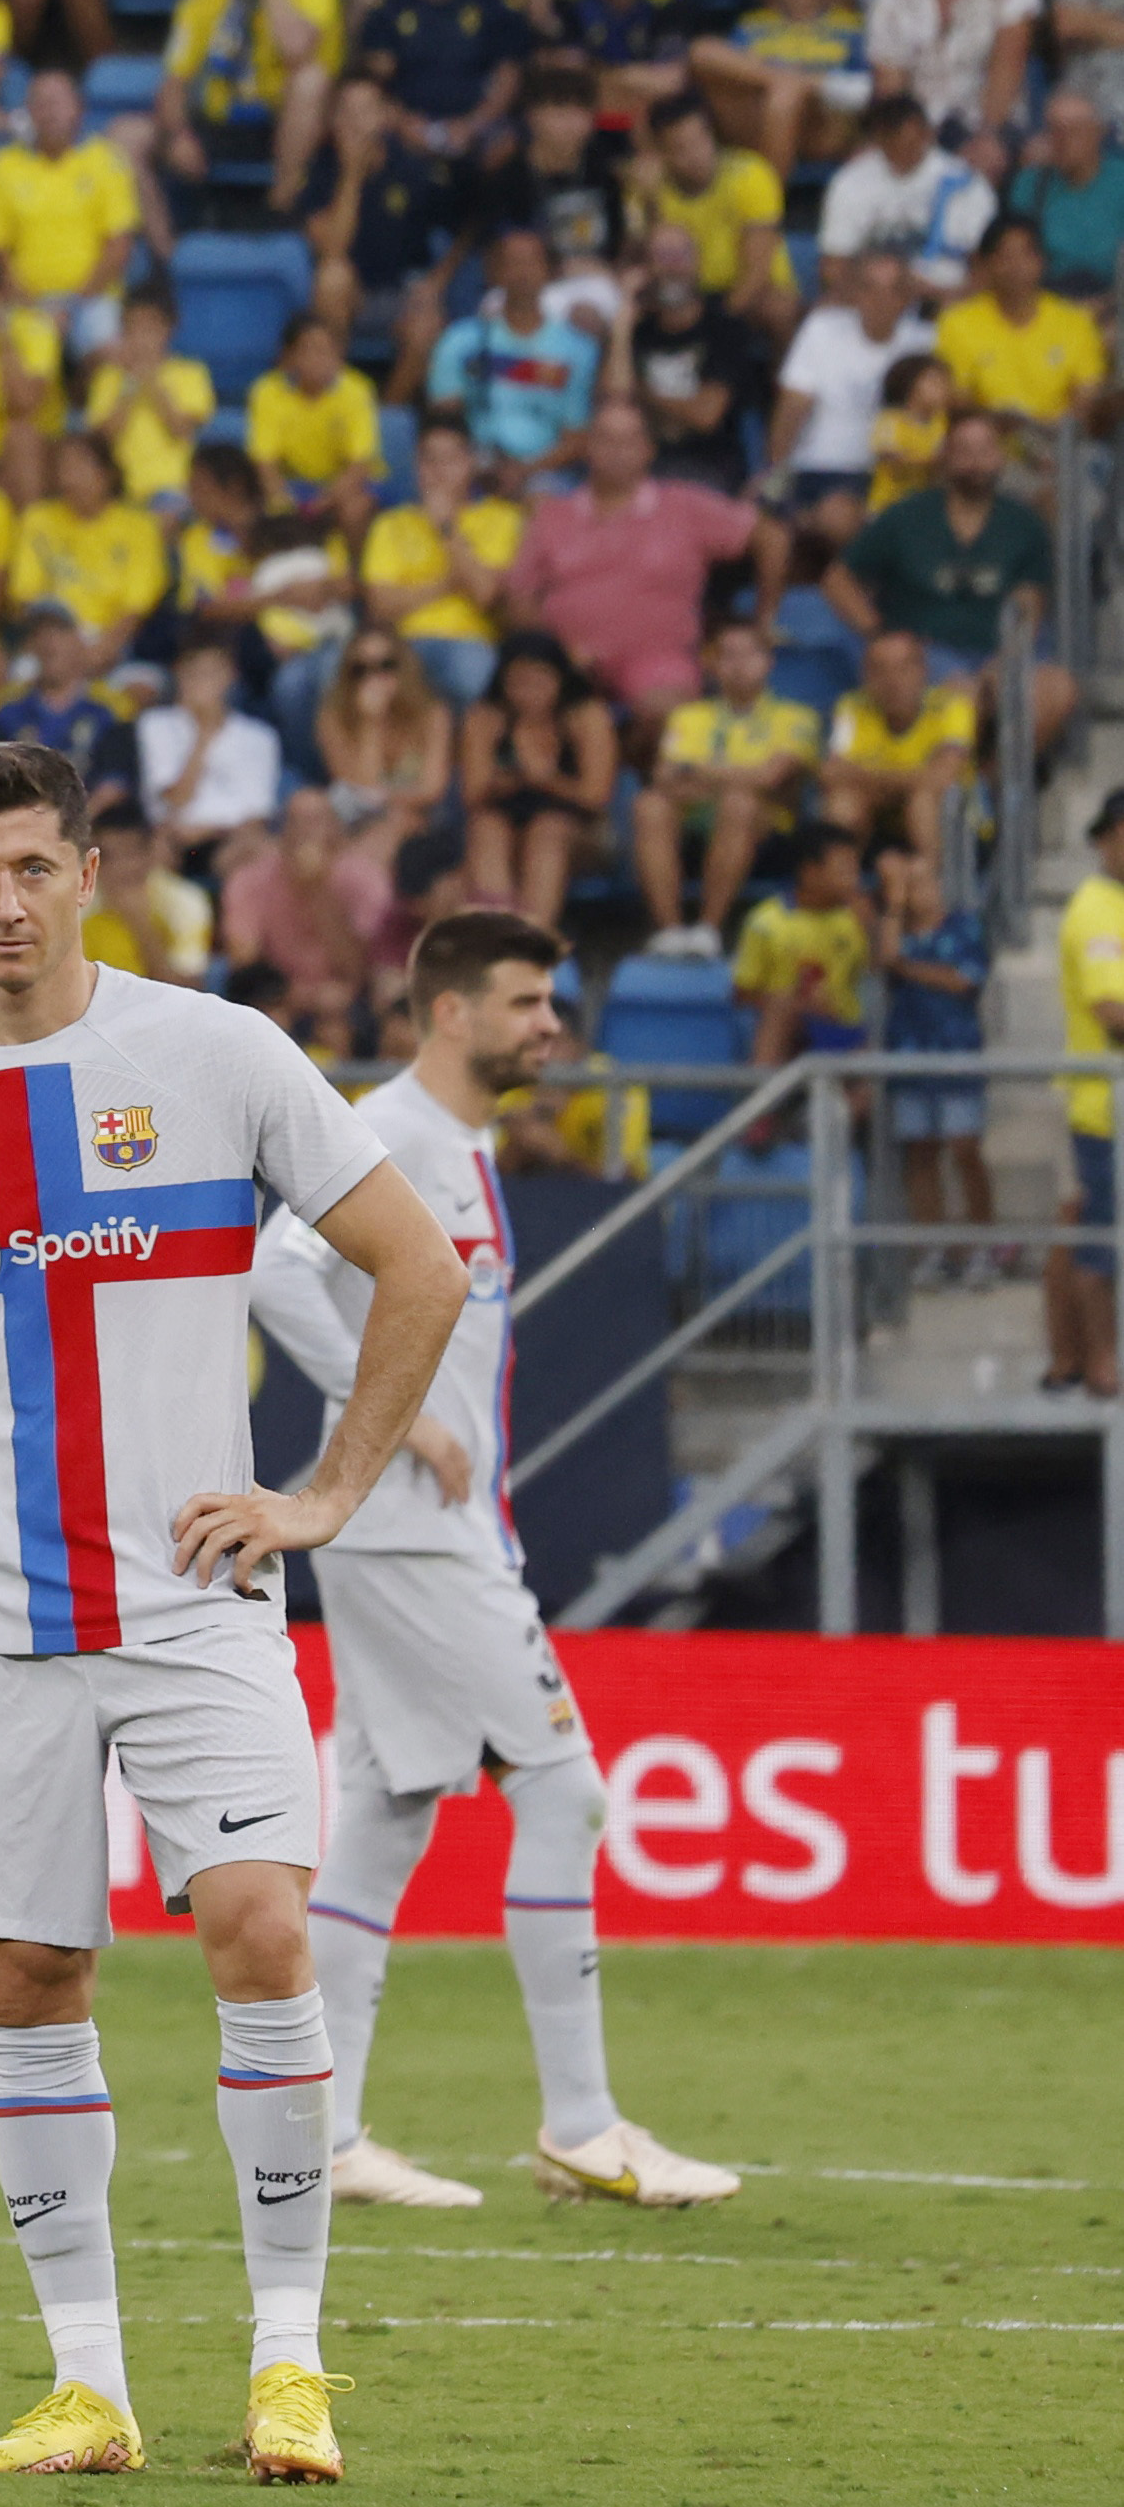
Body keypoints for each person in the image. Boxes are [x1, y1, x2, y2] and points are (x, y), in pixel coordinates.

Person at [0, 738, 473, 2486]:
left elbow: (415, 1265)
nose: (2, 900)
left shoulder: (214, 1055)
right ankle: (87, 2388)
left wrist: (325, 1496)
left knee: (259, 1929)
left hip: (198, 1592)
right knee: (25, 1969)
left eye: (33, 867)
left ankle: (288, 2366)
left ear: (90, 874)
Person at [257, 908, 738, 2213]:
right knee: (563, 1787)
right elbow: (268, 1266)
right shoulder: (392, 1130)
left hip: (422, 1525)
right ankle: (581, 2126)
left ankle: (331, 2134)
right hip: (406, 1521)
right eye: (527, 1004)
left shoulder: (456, 1143)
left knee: (386, 1816)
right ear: (452, 1012)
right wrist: (396, 1414)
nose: (550, 1028)